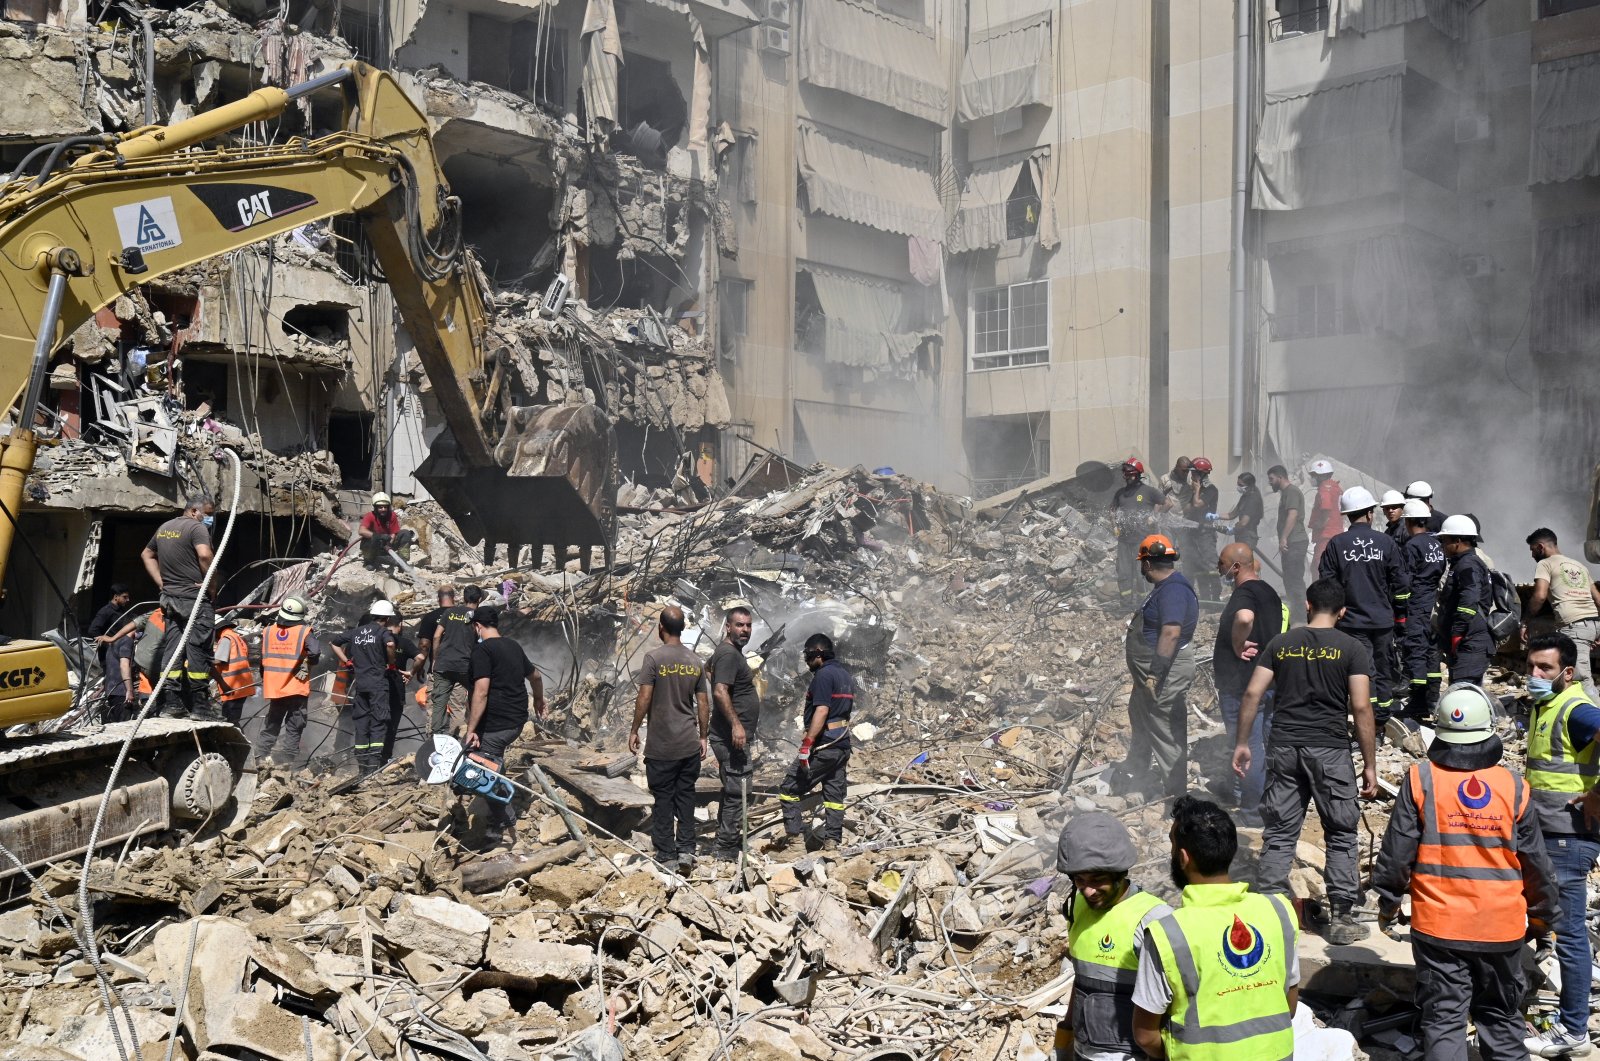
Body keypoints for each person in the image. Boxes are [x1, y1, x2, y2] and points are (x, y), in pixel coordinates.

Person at [1373, 683, 1559, 1061]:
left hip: (1439, 927)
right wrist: (1542, 921)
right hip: (1501, 930)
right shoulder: (1513, 786)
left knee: (1443, 1022)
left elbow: (1397, 856)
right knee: (1502, 1022)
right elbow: (1536, 865)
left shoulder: (1420, 779)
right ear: (1489, 730)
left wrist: (1389, 904)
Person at [1233, 578, 1376, 945]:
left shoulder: (1281, 644)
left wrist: (1242, 743)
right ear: (1342, 611)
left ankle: (1269, 913)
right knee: (1342, 833)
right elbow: (1360, 706)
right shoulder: (1352, 648)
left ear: (1308, 605)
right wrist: (1370, 764)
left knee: (1280, 831)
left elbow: (1252, 692)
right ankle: (1342, 918)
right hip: (1329, 750)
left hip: (1284, 747)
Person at [1131, 797, 1299, 1061]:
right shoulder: (1279, 912)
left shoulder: (1168, 934)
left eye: (1174, 845)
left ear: (1183, 857)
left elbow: (1145, 1035)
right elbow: (1289, 1006)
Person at [1523, 632, 1600, 1058]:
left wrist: (1598, 796)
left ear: (1567, 673)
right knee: (1545, 922)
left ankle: (1573, 1031)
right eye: (1531, 666)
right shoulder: (1546, 704)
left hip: (1569, 839)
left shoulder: (1577, 709)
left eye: (1545, 668)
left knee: (1570, 934)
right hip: (1546, 833)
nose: (1534, 674)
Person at [1054, 812, 1172, 1061]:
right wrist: (1065, 1032)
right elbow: (1083, 978)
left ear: (1120, 873)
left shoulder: (1153, 919)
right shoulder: (1078, 907)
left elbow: (1175, 1002)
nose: (1088, 890)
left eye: (1098, 880)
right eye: (1079, 880)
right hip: (1083, 1050)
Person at [1111, 535, 1199, 801]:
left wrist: (1154, 675)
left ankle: (1176, 797)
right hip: (1149, 675)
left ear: (1147, 564)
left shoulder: (1173, 590)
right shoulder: (1165, 588)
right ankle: (1137, 769)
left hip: (1163, 672)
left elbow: (1171, 632)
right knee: (1140, 715)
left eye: (1142, 564)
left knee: (1165, 727)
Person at [1317, 485, 1408, 733]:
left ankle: (1361, 717)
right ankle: (1380, 719)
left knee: (1360, 671)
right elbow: (1401, 582)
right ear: (1370, 514)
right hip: (1382, 621)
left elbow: (1326, 581)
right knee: (1383, 667)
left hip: (1351, 622)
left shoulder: (1337, 544)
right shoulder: (1386, 542)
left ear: (1347, 515)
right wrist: (1399, 612)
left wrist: (1336, 610)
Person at [628, 606, 709, 870]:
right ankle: (686, 850)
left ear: (661, 627)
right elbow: (703, 703)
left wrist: (634, 729)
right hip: (688, 743)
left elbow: (644, 697)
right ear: (682, 628)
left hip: (662, 746)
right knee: (685, 796)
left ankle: (666, 855)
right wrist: (704, 737)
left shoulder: (653, 659)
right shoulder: (695, 660)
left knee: (662, 798)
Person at [1213, 543, 1286, 827]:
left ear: (1237, 566)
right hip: (1267, 680)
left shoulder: (1244, 593)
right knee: (1266, 742)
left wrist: (1236, 644)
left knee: (1248, 745)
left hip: (1242, 685)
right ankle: (1270, 798)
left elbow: (1244, 618)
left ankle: (1252, 813)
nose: (1218, 567)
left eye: (1222, 563)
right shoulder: (1267, 590)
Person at [464, 605, 544, 849]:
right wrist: (539, 700)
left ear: (477, 626)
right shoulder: (513, 645)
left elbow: (481, 691)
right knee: (491, 762)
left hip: (497, 724)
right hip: (516, 721)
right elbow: (536, 676)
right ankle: (498, 819)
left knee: (484, 769)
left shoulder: (482, 651)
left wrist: (471, 729)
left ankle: (502, 828)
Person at [774, 633, 857, 852]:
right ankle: (832, 843)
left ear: (818, 653)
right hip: (841, 746)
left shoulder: (823, 675)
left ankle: (795, 845)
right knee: (833, 795)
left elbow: (822, 710)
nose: (806, 659)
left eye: (808, 655)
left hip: (825, 745)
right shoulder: (844, 675)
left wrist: (807, 743)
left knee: (789, 789)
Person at [140, 496, 219, 720]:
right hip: (194, 599)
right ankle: (200, 708)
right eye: (208, 513)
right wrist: (212, 584)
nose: (210, 518)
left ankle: (171, 704)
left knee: (173, 649)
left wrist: (161, 582)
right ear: (194, 511)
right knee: (198, 650)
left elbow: (146, 554)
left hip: (170, 598)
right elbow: (204, 555)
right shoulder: (196, 528)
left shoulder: (165, 527)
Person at [708, 603, 761, 862]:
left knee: (733, 787)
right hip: (731, 737)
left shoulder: (728, 653)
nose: (745, 630)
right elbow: (719, 690)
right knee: (738, 789)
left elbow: (708, 669)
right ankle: (726, 847)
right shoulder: (729, 654)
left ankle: (725, 839)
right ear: (728, 627)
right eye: (739, 625)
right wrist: (736, 724)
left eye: (748, 625)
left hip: (729, 735)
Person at [1525, 528, 1600, 700]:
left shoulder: (1545, 564)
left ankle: (1595, 717)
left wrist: (1525, 621)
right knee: (1566, 671)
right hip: (1592, 623)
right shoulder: (1579, 565)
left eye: (1532, 550)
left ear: (1540, 547)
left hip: (1573, 625)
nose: (1532, 555)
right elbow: (1598, 599)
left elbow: (1540, 595)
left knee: (1580, 678)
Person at [330, 600, 397, 779]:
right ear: (387, 618)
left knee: (361, 724)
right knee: (378, 723)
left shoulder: (357, 632)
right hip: (378, 687)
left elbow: (335, 643)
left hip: (361, 687)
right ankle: (372, 768)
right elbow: (390, 645)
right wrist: (391, 663)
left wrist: (347, 661)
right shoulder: (383, 632)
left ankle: (361, 768)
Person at [255, 595, 320, 771]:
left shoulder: (268, 631)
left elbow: (263, 659)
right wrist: (306, 664)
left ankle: (261, 756)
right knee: (295, 723)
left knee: (273, 722)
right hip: (295, 687)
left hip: (275, 687)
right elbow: (315, 652)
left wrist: (266, 679)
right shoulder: (304, 631)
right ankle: (287, 761)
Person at [1400, 500, 1446, 721]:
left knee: (1416, 651)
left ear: (1408, 522)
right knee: (1431, 652)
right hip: (1434, 606)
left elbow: (1405, 580)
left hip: (1417, 605)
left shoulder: (1412, 546)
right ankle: (1432, 698)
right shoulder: (1437, 543)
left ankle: (1417, 703)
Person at [1437, 515, 1494, 687]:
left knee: (1462, 689)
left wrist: (1457, 632)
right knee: (1468, 689)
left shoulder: (1468, 564)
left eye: (1445, 540)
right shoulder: (1464, 563)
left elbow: (1470, 598)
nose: (1442, 545)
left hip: (1471, 640)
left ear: (1458, 541)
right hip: (1469, 640)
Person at [418, 584, 481, 733]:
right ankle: (457, 741)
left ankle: (434, 741)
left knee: (437, 704)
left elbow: (435, 636)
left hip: (442, 666)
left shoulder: (449, 614)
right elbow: (480, 639)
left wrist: (434, 659)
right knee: (458, 707)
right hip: (464, 666)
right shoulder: (475, 616)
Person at [1110, 459, 1163, 603]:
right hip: (1124, 540)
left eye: (1130, 475)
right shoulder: (1120, 493)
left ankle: (1143, 604)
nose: (1127, 478)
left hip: (1142, 540)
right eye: (1125, 475)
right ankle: (1125, 603)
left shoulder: (1148, 491)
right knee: (1124, 573)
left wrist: (1154, 516)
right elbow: (1112, 510)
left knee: (1142, 574)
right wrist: (1114, 525)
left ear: (1138, 475)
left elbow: (1166, 503)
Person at [1267, 465, 1308, 623]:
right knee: (1289, 580)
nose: (1270, 483)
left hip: (1295, 542)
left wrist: (1283, 537)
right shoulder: (1286, 493)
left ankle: (1302, 617)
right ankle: (1297, 615)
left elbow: (1292, 515)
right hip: (1292, 543)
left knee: (1295, 580)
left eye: (1271, 479)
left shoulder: (1291, 491)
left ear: (1280, 477)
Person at [381, 609, 420, 763]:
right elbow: (420, 657)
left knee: (375, 723)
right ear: (401, 624)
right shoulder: (404, 643)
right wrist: (411, 672)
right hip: (396, 690)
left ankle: (370, 759)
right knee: (391, 726)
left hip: (375, 688)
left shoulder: (376, 639)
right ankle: (385, 758)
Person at [1180, 457, 1221, 602]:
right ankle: (1204, 599)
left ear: (1202, 474)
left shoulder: (1211, 490)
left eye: (1194, 473)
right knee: (1197, 567)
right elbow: (1186, 509)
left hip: (1205, 534)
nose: (1192, 476)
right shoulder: (1194, 491)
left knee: (1210, 566)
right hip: (1192, 535)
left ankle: (1215, 599)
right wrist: (1194, 492)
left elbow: (1197, 505)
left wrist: (1196, 491)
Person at [212, 616, 256, 727]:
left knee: (229, 722)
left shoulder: (226, 639)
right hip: (242, 686)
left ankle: (237, 743)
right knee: (233, 720)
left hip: (232, 687)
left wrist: (202, 660)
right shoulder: (235, 636)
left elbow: (219, 660)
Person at [358, 492, 417, 567]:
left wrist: (388, 543)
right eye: (380, 507)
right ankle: (369, 561)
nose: (383, 509)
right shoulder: (369, 516)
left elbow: (394, 533)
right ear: (375, 508)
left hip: (386, 545)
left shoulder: (392, 515)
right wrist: (379, 536)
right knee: (369, 541)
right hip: (373, 546)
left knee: (405, 533)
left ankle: (403, 561)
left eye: (385, 507)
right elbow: (361, 531)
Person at [87, 583, 132, 674]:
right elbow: (93, 630)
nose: (128, 600)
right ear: (116, 597)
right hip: (109, 654)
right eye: (125, 597)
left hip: (121, 651)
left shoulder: (122, 610)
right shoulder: (106, 611)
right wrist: (108, 642)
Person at [1308, 459, 1343, 569]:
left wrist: (1320, 523)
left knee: (1319, 566)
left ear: (1320, 476)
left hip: (1326, 534)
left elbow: (1326, 508)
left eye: (1313, 475)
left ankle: (1321, 587)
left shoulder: (1324, 489)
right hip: (1336, 532)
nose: (1312, 478)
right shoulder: (1335, 488)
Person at [102, 627, 139, 722]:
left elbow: (111, 668)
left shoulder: (114, 642)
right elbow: (124, 665)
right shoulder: (127, 641)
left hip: (111, 691)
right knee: (124, 726)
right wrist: (129, 690)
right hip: (122, 692)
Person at [1225, 472, 1264, 549]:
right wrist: (1215, 516)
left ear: (1249, 485)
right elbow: (1232, 514)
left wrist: (1233, 530)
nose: (1238, 487)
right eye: (1238, 484)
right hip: (1241, 534)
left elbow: (1243, 522)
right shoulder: (1245, 496)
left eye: (1241, 485)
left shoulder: (1253, 498)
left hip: (1248, 536)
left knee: (1242, 559)